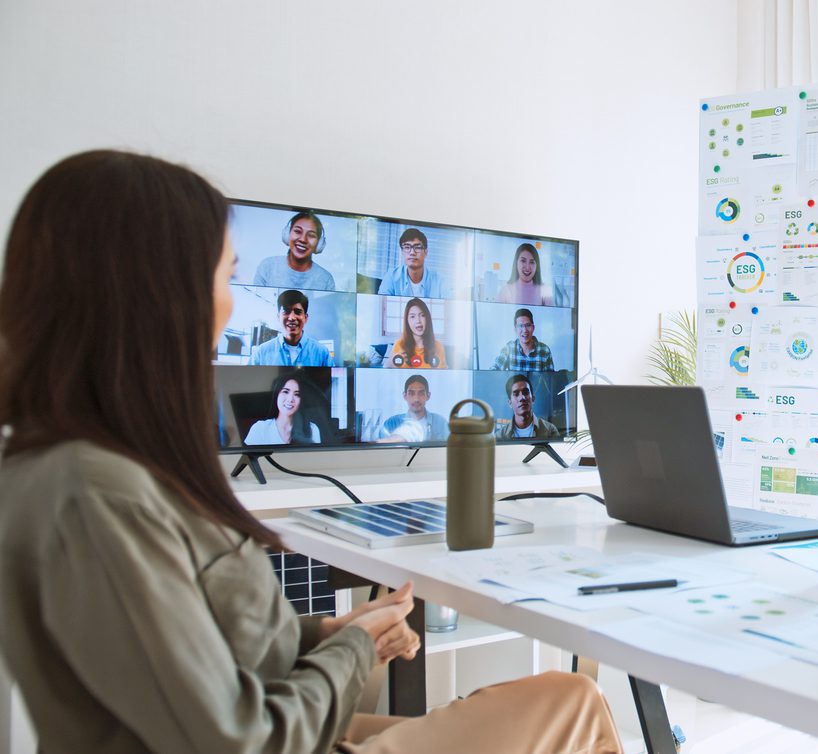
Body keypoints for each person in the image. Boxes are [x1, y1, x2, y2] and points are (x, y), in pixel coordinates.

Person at [0, 150, 623, 754]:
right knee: (572, 700)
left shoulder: (85, 467)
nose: (229, 301)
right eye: (225, 276)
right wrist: (354, 651)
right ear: (159, 295)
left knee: (564, 704)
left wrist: (329, 631)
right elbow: (239, 738)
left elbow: (196, 644)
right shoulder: (98, 495)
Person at [253, 210, 337, 291]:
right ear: (287, 234)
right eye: (297, 231)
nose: (303, 239)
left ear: (319, 244)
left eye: (311, 235)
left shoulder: (326, 279)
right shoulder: (267, 266)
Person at [248, 288, 335, 367]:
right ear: (278, 317)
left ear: (305, 318)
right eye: (286, 311)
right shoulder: (261, 353)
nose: (292, 318)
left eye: (298, 312)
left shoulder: (322, 353)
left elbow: (333, 379)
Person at [244, 370, 323, 445]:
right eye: (285, 392)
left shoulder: (313, 429)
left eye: (297, 394)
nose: (290, 399)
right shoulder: (260, 428)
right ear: (276, 395)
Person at [375, 374, 449, 444]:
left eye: (421, 393)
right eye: (411, 393)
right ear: (405, 396)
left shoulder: (441, 423)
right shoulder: (391, 423)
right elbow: (381, 450)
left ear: (428, 396)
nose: (416, 399)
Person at [378, 227, 448, 298]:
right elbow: (382, 303)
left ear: (426, 252)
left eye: (417, 247)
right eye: (407, 247)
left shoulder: (440, 281)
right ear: (402, 252)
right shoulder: (391, 277)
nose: (412, 252)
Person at [387, 297, 448, 369]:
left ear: (427, 318)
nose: (418, 321)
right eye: (412, 316)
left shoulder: (437, 346)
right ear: (407, 321)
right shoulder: (399, 344)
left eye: (422, 315)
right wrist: (392, 362)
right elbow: (387, 371)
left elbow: (443, 373)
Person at [498, 373, 559, 439]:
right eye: (516, 394)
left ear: (533, 399)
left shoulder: (550, 430)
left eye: (526, 392)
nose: (522, 398)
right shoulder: (500, 436)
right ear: (510, 403)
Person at [496, 242, 553, 306]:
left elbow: (552, 312)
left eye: (532, 262)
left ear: (537, 266)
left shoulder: (544, 291)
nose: (527, 268)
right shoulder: (505, 291)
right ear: (516, 263)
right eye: (523, 261)